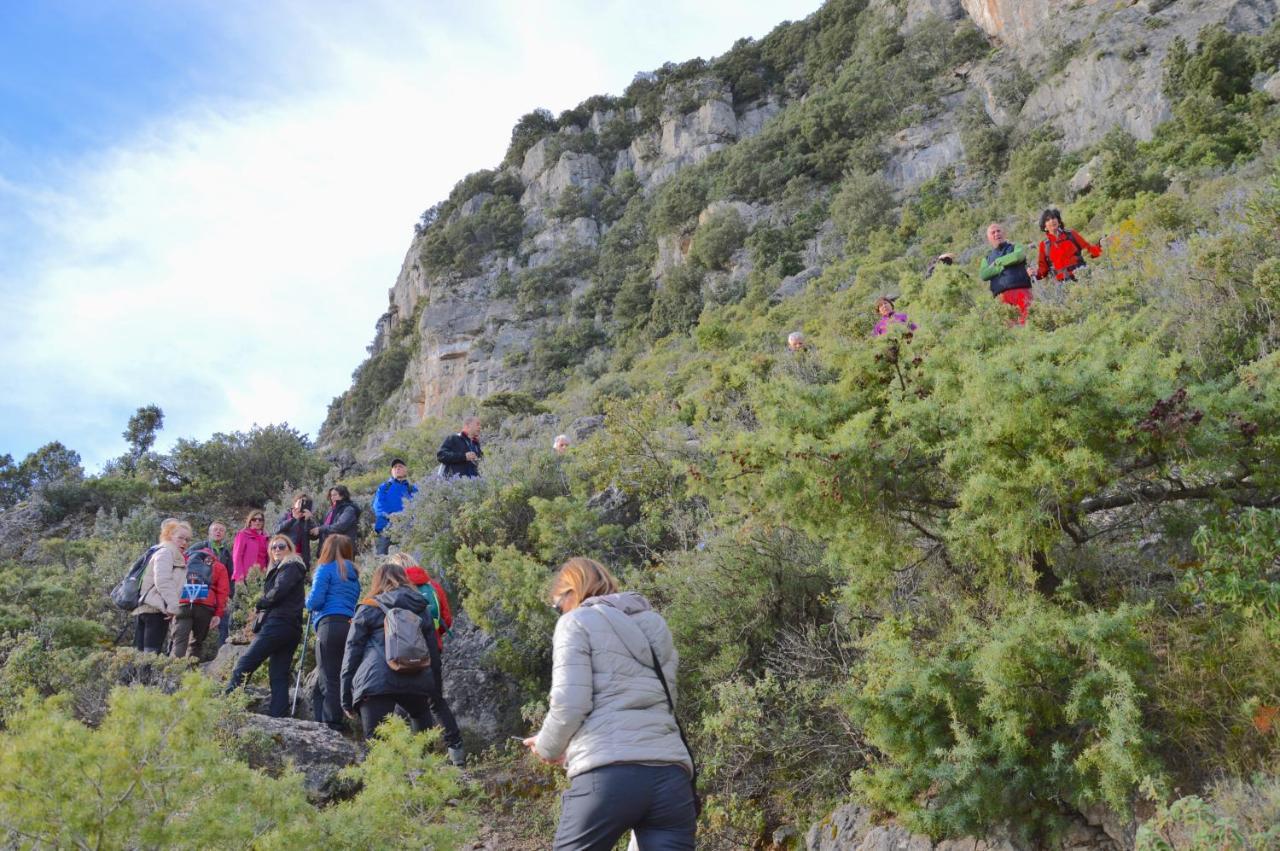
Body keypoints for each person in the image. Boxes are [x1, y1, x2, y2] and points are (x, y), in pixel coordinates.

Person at [523, 557, 696, 850]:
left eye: (557, 606)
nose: (560, 612)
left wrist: (547, 746)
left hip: (607, 778)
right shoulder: (655, 625)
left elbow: (569, 704)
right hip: (671, 778)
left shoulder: (575, 622)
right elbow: (662, 703)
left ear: (571, 592)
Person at [340, 562, 466, 767]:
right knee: (424, 745)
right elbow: (433, 653)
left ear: (376, 582)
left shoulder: (368, 608)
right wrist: (434, 689)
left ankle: (389, 791)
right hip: (416, 679)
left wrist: (346, 696)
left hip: (376, 683)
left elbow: (351, 652)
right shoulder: (421, 608)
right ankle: (426, 779)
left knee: (378, 752)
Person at [225, 534, 306, 717]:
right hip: (291, 627)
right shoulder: (283, 568)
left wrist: (262, 602)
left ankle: (228, 705)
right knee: (278, 673)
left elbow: (279, 591)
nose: (277, 549)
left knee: (245, 663)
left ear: (290, 548)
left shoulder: (291, 565)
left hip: (279, 623)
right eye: (273, 547)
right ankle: (278, 715)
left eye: (281, 546)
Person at [305, 534, 361, 730]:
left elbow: (315, 601)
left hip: (328, 624)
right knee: (336, 674)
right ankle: (323, 718)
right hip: (348, 625)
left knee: (329, 676)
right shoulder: (354, 575)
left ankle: (331, 724)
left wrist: (307, 600)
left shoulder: (325, 569)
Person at [131, 519, 191, 654]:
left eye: (187, 539)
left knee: (140, 655)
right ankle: (143, 676)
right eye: (180, 538)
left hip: (150, 608)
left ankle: (137, 676)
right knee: (150, 656)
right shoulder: (166, 553)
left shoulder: (166, 552)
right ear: (169, 536)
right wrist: (173, 607)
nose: (184, 542)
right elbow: (163, 581)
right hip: (154, 610)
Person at [170, 545, 229, 659]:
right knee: (196, 643)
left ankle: (174, 673)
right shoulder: (218, 566)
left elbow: (172, 582)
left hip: (184, 602)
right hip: (205, 606)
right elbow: (223, 592)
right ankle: (192, 673)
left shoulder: (185, 560)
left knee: (179, 642)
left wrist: (169, 605)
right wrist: (218, 614)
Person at [979, 222, 1034, 325]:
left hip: (1021, 290)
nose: (996, 234)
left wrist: (997, 262)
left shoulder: (1016, 247)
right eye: (993, 232)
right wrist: (1000, 268)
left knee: (1028, 323)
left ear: (1004, 233)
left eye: (998, 231)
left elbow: (1018, 256)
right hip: (1001, 296)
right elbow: (984, 274)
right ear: (989, 238)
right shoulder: (986, 258)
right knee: (1009, 328)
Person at [191, 521, 234, 646]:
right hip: (199, 590)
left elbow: (230, 575)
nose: (218, 532)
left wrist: (229, 595)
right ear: (209, 533)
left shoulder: (226, 553)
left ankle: (222, 656)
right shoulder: (199, 547)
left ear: (225, 534)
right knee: (192, 626)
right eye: (215, 529)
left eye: (221, 530)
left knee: (224, 623)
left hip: (218, 594)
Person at [1034, 208, 1102, 283]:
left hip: (1082, 277)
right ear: (1045, 227)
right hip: (1062, 284)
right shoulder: (1044, 245)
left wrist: (1102, 245)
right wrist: (1034, 274)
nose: (1052, 221)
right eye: (1047, 220)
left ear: (1058, 221)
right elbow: (1043, 269)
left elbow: (1088, 250)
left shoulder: (1071, 234)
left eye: (1053, 218)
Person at [373, 460, 419, 556]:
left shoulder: (411, 489)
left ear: (406, 470)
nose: (397, 468)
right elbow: (378, 506)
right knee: (382, 559)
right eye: (394, 467)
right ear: (392, 471)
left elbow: (419, 506)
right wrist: (391, 517)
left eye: (400, 466)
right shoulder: (384, 487)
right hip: (385, 528)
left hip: (406, 528)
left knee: (405, 557)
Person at [314, 485, 360, 555]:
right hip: (329, 549)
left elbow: (340, 526)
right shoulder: (331, 510)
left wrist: (321, 529)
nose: (332, 498)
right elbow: (323, 525)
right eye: (331, 495)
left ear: (343, 496)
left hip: (343, 549)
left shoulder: (349, 509)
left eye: (335, 495)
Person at [276, 493, 317, 569]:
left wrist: (309, 520)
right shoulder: (287, 515)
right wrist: (293, 519)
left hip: (302, 558)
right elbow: (277, 530)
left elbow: (314, 537)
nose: (301, 506)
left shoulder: (307, 520)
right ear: (295, 503)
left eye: (305, 504)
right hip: (286, 556)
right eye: (300, 502)